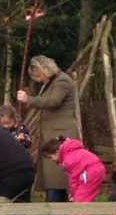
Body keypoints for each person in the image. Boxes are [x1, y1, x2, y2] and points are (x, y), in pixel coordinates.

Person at [15, 55, 80, 202]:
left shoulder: (62, 81)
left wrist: (28, 100)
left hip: (62, 134)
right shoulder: (53, 82)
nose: (39, 80)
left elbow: (53, 101)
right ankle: (56, 208)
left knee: (57, 174)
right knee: (54, 174)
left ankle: (53, 210)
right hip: (53, 133)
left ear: (46, 69)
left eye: (39, 76)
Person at [41, 137, 106, 215]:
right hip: (96, 170)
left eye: (50, 157)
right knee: (85, 196)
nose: (52, 160)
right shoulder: (70, 149)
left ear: (56, 152)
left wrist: (72, 192)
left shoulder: (68, 160)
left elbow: (73, 179)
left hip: (91, 173)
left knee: (80, 198)